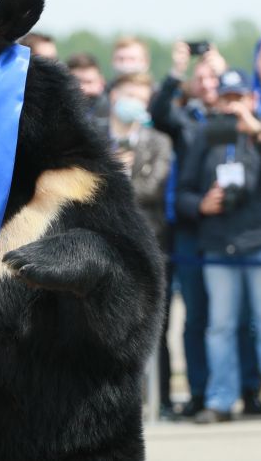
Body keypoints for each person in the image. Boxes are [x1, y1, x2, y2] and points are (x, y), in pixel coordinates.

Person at [150, 42, 261, 418]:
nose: (208, 83)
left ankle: (250, 390)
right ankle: (201, 393)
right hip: (191, 226)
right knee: (199, 316)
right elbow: (158, 110)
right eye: (201, 79)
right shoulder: (185, 119)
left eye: (213, 76)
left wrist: (223, 65)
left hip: (234, 228)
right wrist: (178, 67)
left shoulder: (241, 115)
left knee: (240, 316)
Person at [178, 69, 261, 423]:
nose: (232, 105)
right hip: (218, 244)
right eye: (227, 98)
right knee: (220, 327)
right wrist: (201, 204)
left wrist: (255, 130)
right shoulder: (205, 134)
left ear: (251, 99)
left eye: (239, 98)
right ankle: (220, 399)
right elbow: (183, 192)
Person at [107, 73, 173, 416]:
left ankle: (157, 401)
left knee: (151, 328)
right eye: (129, 93)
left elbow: (152, 189)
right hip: (103, 244)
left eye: (141, 95)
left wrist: (117, 175)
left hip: (147, 245)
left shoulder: (159, 141)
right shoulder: (93, 136)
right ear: (115, 95)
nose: (135, 100)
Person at [67, 53, 109, 131]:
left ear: (101, 82)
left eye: (89, 82)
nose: (83, 88)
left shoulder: (113, 111)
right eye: (77, 82)